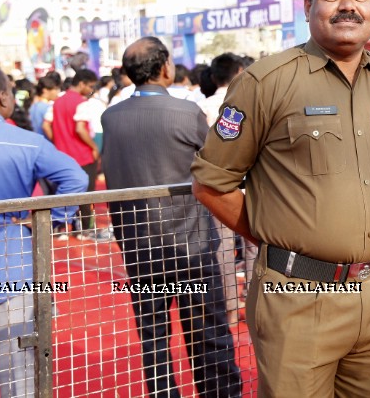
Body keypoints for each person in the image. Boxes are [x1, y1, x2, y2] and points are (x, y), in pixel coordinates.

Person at [191, 0, 370, 397]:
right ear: (307, 7)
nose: (348, 5)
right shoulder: (265, 83)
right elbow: (211, 184)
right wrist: (276, 238)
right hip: (297, 298)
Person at [101, 37, 242, 398]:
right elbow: (217, 165)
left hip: (138, 246)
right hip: (190, 245)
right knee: (207, 334)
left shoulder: (112, 117)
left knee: (153, 338)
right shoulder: (185, 113)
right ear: (165, 67)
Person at [0, 61, 87, 396]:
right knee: (23, 382)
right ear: (2, 98)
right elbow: (76, 179)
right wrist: (46, 219)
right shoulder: (26, 141)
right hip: (16, 271)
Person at [197, 51, 247, 326]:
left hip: (217, 187)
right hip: (251, 185)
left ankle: (229, 310)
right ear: (239, 71)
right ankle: (254, 305)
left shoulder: (202, 107)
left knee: (224, 247)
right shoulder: (250, 100)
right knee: (257, 246)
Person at [50, 68, 108, 240]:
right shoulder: (82, 102)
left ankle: (60, 227)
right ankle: (85, 229)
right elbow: (80, 128)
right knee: (87, 194)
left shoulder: (57, 102)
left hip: (62, 154)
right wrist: (94, 147)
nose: (91, 90)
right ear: (81, 84)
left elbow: (48, 125)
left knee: (64, 191)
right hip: (82, 155)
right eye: (89, 86)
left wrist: (59, 140)